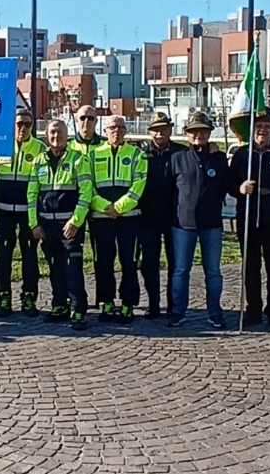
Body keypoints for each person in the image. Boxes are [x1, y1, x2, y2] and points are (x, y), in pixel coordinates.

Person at [226, 113, 270, 329]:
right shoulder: (242, 155)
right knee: (250, 268)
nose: (262, 130)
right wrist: (239, 188)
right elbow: (228, 184)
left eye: (267, 126)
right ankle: (253, 309)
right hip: (248, 221)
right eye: (258, 126)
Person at [27, 119, 94, 330]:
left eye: (60, 132)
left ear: (67, 135)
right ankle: (59, 305)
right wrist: (34, 224)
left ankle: (78, 310)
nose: (56, 136)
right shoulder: (38, 161)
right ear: (47, 136)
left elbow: (86, 193)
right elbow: (32, 195)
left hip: (70, 226)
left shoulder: (78, 159)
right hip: (47, 226)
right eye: (53, 133)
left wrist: (76, 221)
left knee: (73, 268)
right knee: (55, 268)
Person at [0, 108, 44, 316]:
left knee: (29, 256)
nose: (23, 128)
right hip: (3, 210)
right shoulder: (0, 145)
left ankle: (29, 298)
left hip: (28, 212)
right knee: (3, 256)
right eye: (19, 124)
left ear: (32, 126)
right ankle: (3, 298)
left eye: (27, 124)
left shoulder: (40, 148)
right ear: (12, 125)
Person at [168, 111, 229, 328]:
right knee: (180, 271)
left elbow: (226, 186)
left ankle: (215, 311)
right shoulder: (177, 158)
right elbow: (169, 190)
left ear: (209, 133)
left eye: (203, 131)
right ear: (187, 134)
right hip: (183, 224)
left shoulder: (219, 158)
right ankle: (178, 311)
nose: (198, 135)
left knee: (213, 271)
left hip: (211, 224)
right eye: (194, 131)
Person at [89, 114, 148, 323]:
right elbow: (88, 186)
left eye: (120, 127)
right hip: (101, 218)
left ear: (125, 130)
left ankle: (127, 303)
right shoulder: (93, 155)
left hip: (129, 218)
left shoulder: (137, 154)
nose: (116, 131)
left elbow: (139, 185)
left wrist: (119, 208)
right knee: (103, 262)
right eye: (112, 128)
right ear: (104, 131)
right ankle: (106, 301)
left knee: (129, 262)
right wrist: (106, 207)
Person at [139, 111, 181, 318]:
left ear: (170, 130)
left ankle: (173, 305)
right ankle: (153, 303)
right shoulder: (141, 154)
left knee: (175, 264)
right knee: (149, 264)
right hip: (148, 217)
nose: (159, 133)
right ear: (149, 132)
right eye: (155, 130)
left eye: (163, 129)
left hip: (175, 217)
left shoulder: (182, 153)